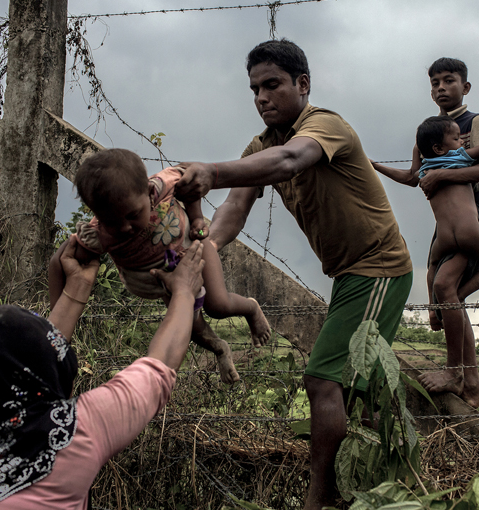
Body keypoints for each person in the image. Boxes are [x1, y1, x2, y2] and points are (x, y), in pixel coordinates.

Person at [175, 39, 413, 510]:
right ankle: (375, 487)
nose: (262, 97)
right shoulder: (261, 145)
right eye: (254, 89)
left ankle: (319, 499)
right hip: (348, 276)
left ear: (303, 84)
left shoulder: (324, 125)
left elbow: (290, 160)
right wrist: (203, 251)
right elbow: (235, 207)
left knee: (323, 380)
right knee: (356, 390)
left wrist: (211, 172)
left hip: (378, 267)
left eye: (272, 85)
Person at [0, 237, 207, 509]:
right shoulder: (73, 435)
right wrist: (184, 291)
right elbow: (158, 368)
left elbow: (34, 364)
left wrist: (77, 287)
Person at [49, 148, 271, 384]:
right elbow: (59, 263)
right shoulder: (97, 234)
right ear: (97, 214)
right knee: (189, 326)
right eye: (112, 222)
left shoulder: (162, 186)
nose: (125, 227)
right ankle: (220, 349)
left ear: (147, 191)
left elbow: (191, 181)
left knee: (218, 306)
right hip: (167, 283)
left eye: (133, 215)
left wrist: (196, 217)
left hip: (194, 251)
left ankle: (250, 308)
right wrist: (58, 329)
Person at [371, 57, 479, 408]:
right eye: (435, 83)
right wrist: (374, 165)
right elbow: (415, 177)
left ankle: (458, 374)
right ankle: (470, 385)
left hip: (473, 211)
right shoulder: (428, 133)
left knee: (448, 291)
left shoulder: (474, 122)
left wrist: (443, 175)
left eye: (449, 80)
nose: (441, 87)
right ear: (430, 92)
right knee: (446, 290)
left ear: (465, 87)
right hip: (445, 218)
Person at [417, 115, 479, 303]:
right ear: (439, 148)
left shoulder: (425, 170)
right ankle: (460, 296)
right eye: (457, 139)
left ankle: (433, 308)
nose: (462, 143)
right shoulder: (459, 157)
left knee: (433, 265)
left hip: (443, 236)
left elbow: (408, 177)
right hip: (468, 230)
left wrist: (375, 165)